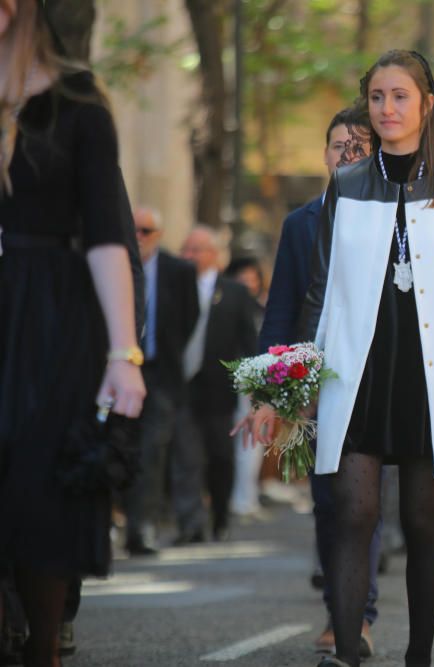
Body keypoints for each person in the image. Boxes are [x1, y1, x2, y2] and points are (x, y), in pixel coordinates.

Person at [252, 50, 434, 667]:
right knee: (351, 514)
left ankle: (419, 654)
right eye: (377, 97)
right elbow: (321, 287)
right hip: (357, 368)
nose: (387, 109)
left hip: (431, 372)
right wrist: (293, 380)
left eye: (400, 97)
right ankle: (348, 653)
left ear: (426, 105)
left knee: (421, 522)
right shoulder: (346, 184)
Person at [0, 2, 146, 666]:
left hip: (51, 319)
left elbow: (108, 237)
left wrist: (125, 354)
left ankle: (43, 648)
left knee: (38, 493)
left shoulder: (78, 102)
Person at [251, 105, 381, 658]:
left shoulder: (395, 218)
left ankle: (359, 617)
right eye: (338, 146)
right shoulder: (301, 223)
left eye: (359, 147)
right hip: (318, 386)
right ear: (323, 153)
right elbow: (280, 311)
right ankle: (343, 610)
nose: (347, 155)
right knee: (331, 504)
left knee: (365, 503)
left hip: (380, 382)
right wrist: (270, 394)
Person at [174, 225, 258, 544]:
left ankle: (220, 516)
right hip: (182, 386)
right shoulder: (174, 286)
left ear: (213, 255)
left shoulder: (234, 292)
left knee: (221, 456)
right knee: (185, 457)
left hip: (220, 389)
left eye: (197, 250)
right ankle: (190, 524)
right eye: (186, 249)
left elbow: (248, 338)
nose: (190, 256)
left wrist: (252, 379)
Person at [124, 207, 199, 556]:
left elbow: (189, 318)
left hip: (160, 374)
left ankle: (142, 526)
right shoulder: (114, 264)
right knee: (117, 446)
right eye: (133, 229)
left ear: (158, 234)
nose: (138, 236)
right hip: (118, 370)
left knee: (153, 452)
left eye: (145, 230)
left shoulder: (179, 271)